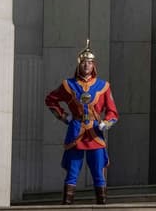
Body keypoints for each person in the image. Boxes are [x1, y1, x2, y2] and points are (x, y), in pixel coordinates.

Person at [45, 40, 119, 205]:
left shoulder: (103, 86)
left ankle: (102, 204)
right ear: (79, 64)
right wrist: (64, 117)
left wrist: (105, 123)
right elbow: (50, 100)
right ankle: (67, 204)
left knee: (98, 172)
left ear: (94, 65)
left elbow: (113, 112)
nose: (87, 65)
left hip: (95, 133)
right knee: (72, 172)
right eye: (84, 62)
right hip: (76, 131)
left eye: (90, 62)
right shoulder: (68, 85)